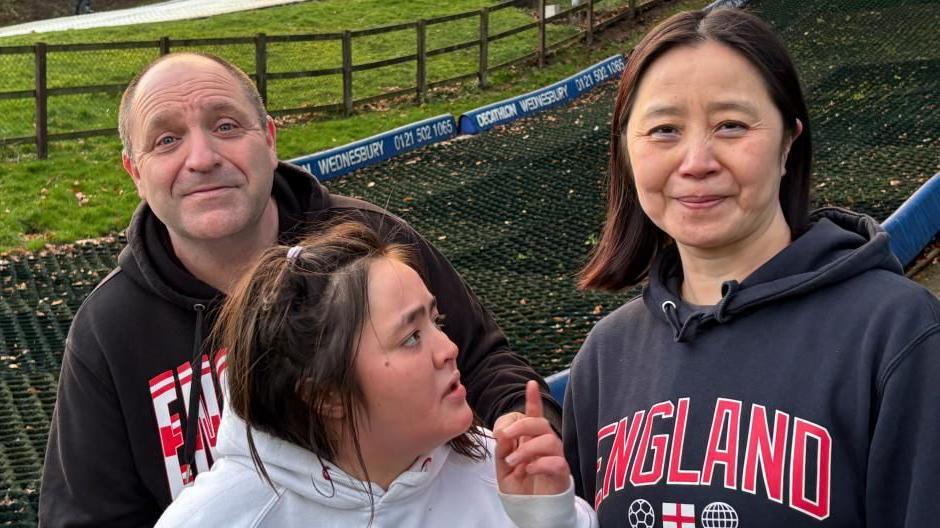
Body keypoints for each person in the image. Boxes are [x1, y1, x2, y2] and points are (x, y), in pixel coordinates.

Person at [39, 52, 560, 526]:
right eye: (167, 140)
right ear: (135, 170)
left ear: (268, 138)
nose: (201, 158)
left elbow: (483, 361)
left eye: (225, 126)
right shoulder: (110, 328)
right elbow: (85, 513)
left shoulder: (373, 246)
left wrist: (522, 432)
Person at [563, 7, 940, 527]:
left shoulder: (897, 332)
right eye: (665, 129)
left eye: (731, 126)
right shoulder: (606, 357)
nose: (697, 161)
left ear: (789, 141)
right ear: (626, 152)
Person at [154, 221, 597, 527]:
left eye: (436, 322)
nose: (449, 348)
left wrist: (547, 517)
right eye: (410, 337)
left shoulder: (500, 473)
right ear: (324, 393)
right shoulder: (221, 516)